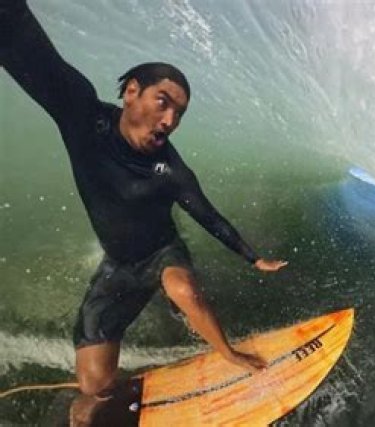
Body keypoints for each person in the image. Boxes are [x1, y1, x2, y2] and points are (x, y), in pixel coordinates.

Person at [1, 1, 288, 424]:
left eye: (179, 113)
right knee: (93, 387)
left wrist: (253, 257)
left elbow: (208, 216)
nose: (169, 120)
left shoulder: (171, 169)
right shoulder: (84, 118)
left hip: (162, 252)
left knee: (182, 289)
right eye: (163, 102)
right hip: (119, 265)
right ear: (131, 91)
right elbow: (41, 64)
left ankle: (227, 352)